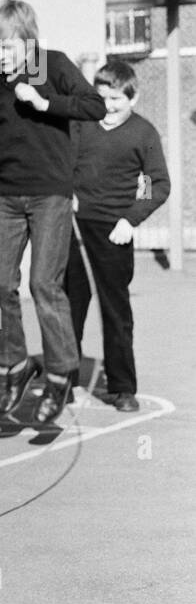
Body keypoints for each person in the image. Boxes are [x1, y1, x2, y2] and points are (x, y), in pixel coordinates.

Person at [0, 0, 106, 426]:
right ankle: (13, 365)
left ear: (27, 40)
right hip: (8, 194)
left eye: (7, 46)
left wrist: (46, 104)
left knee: (44, 285)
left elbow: (95, 106)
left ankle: (59, 373)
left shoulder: (54, 64)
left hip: (51, 194)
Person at [64, 58, 170, 412]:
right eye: (102, 98)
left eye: (116, 101)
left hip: (114, 233)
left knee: (116, 311)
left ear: (133, 97)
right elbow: (61, 164)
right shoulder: (81, 125)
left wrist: (131, 219)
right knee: (69, 306)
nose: (107, 107)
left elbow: (158, 184)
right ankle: (62, 381)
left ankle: (122, 386)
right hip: (75, 227)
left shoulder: (144, 133)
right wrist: (67, 194)